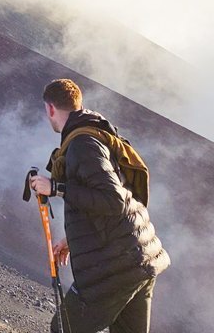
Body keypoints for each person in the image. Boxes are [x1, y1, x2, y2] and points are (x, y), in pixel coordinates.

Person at [29, 79, 170, 333]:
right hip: (138, 258)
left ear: (50, 109)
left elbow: (113, 201)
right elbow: (105, 200)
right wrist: (71, 240)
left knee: (64, 328)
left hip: (116, 266)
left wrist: (56, 188)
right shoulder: (97, 135)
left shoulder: (83, 145)